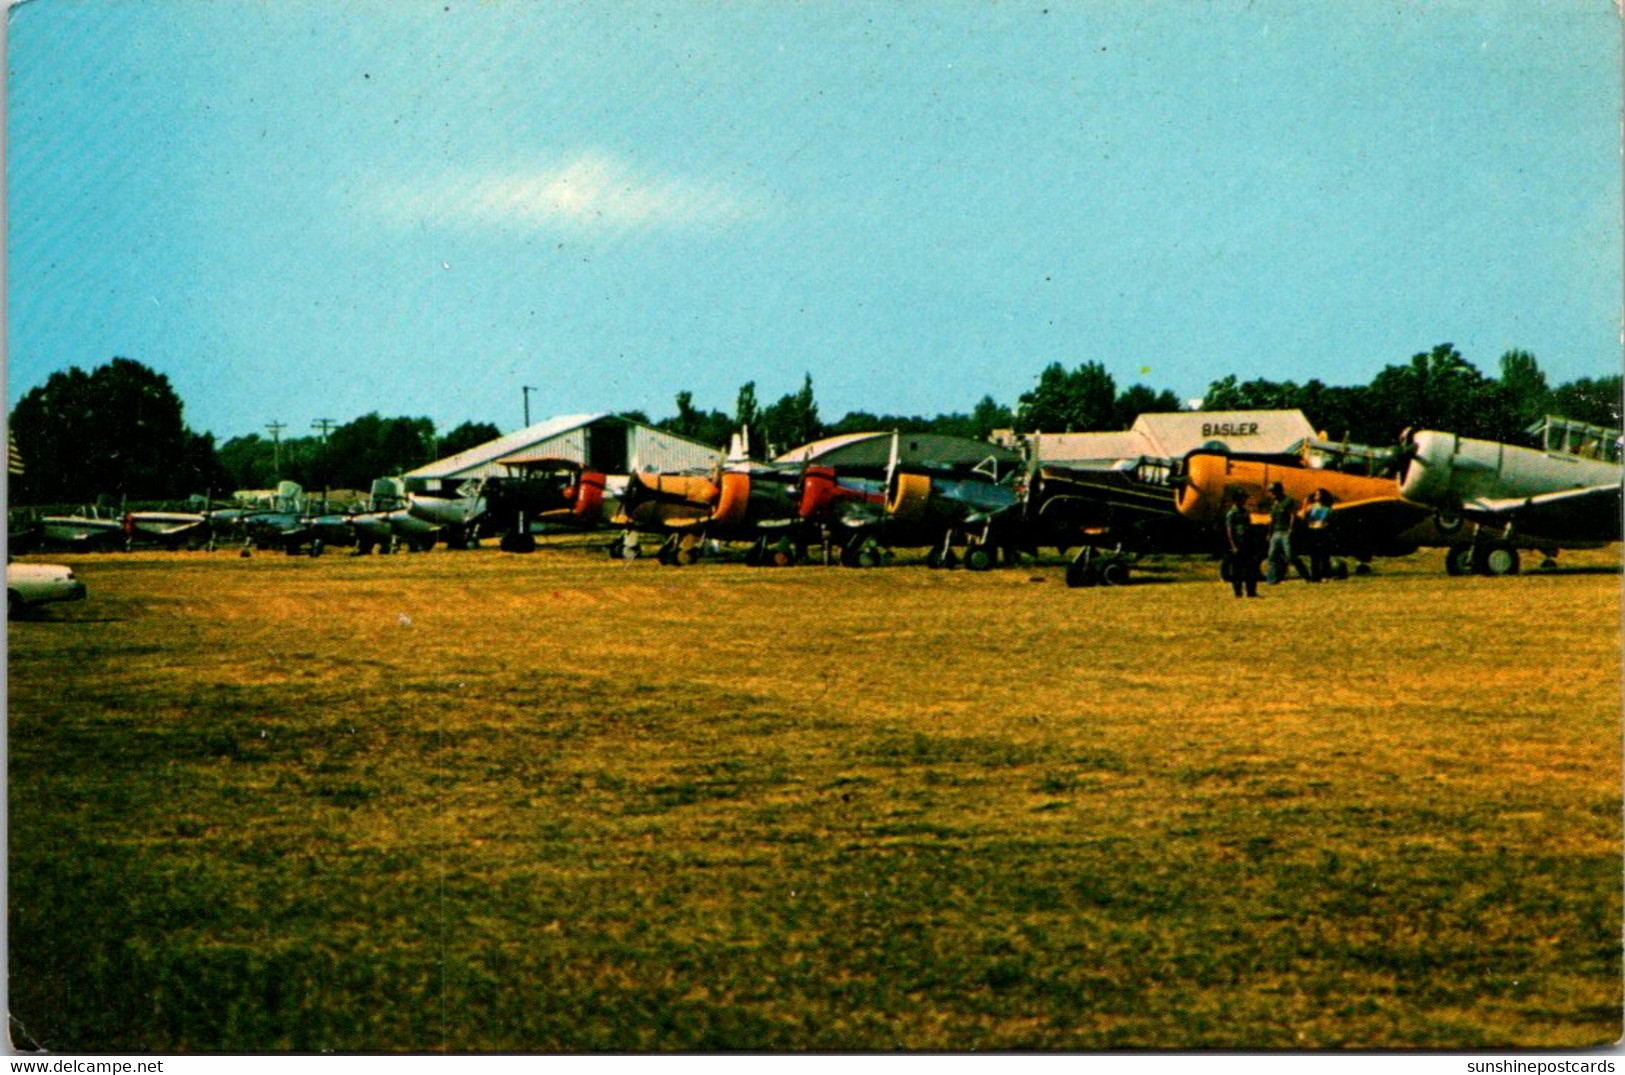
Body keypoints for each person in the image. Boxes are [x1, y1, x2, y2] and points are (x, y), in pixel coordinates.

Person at [1224, 488, 1261, 597]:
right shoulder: (1232, 513)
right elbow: (1229, 530)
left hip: (1247, 543)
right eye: (1242, 498)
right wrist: (1233, 546)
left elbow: (1249, 526)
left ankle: (1251, 592)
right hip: (1237, 543)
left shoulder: (1245, 512)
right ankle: (1238, 592)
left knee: (1250, 569)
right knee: (1237, 570)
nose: (1244, 500)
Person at [1265, 480, 1298, 585]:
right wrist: (1269, 533)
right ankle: (1272, 579)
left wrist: (1291, 529)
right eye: (1271, 491)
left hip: (1285, 531)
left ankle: (1306, 575)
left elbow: (1293, 515)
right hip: (1275, 532)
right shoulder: (1274, 504)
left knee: (1290, 555)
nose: (1272, 494)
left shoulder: (1288, 501)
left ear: (1279, 491)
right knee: (1272, 555)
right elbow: (1272, 519)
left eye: (1273, 491)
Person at [1299, 487, 1335, 582]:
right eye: (1316, 494)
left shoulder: (1327, 508)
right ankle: (1315, 576)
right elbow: (1302, 516)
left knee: (1324, 555)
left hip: (1322, 531)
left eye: (1318, 494)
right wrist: (1304, 505)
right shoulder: (1311, 507)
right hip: (1313, 531)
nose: (1316, 496)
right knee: (1314, 555)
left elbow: (1329, 519)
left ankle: (1325, 575)